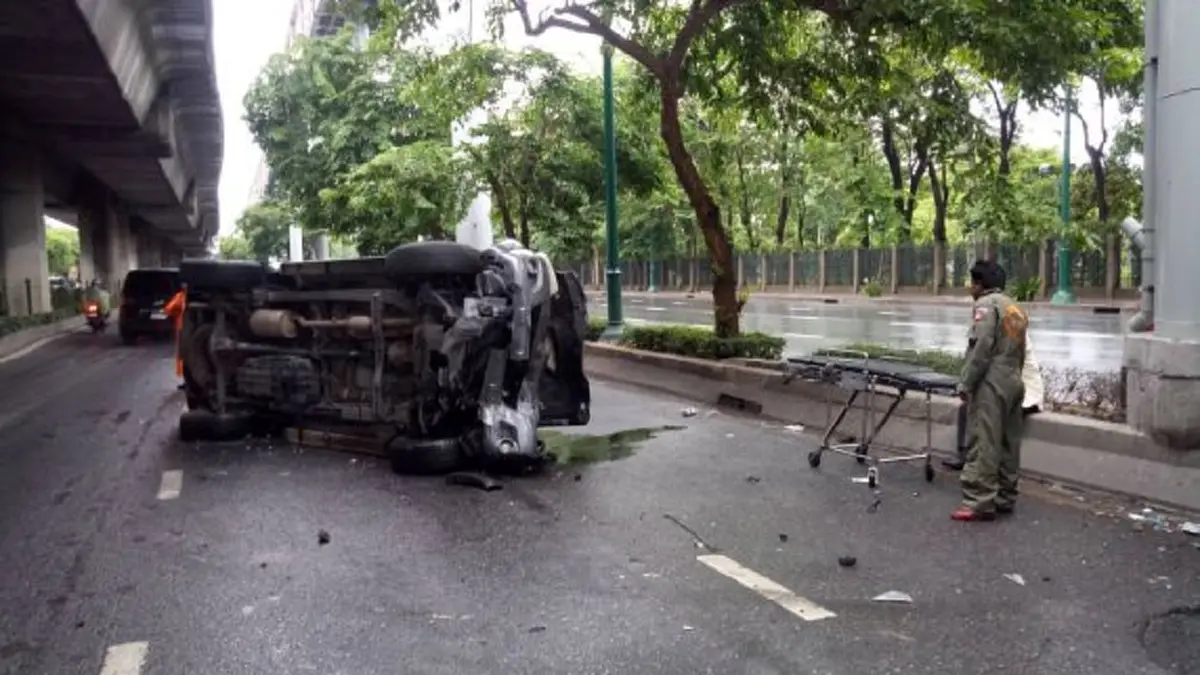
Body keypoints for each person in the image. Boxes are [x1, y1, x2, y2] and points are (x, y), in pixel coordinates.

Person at [952, 259, 1028, 522]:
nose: (970, 289)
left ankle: (979, 501)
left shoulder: (985, 306)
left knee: (984, 440)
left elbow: (981, 347)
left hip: (991, 381)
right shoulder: (1014, 308)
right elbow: (1021, 350)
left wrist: (967, 382)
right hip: (1014, 379)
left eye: (971, 283)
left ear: (979, 284)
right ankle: (1005, 496)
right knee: (1009, 441)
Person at [163, 284, 188, 380]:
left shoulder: (180, 296)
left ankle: (185, 377)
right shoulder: (200, 297)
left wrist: (177, 313)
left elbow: (168, 309)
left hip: (182, 327)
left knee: (182, 353)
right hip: (192, 328)